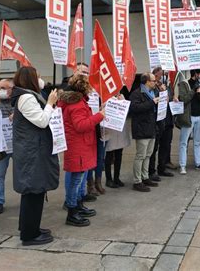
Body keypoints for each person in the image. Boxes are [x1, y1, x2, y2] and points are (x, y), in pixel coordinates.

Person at [11, 67, 59, 246]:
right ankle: (29, 235)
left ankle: (30, 227)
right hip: (31, 153)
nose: (40, 79)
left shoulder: (28, 96)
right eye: (37, 76)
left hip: (34, 150)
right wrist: (50, 103)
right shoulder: (26, 97)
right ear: (30, 79)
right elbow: (41, 120)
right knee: (33, 191)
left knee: (36, 191)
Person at [58, 74, 105, 227]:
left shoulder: (75, 101)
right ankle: (72, 212)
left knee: (78, 179)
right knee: (76, 181)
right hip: (78, 146)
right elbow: (81, 125)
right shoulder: (77, 104)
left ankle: (77, 206)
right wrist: (99, 116)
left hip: (80, 145)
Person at [129, 72, 160, 192]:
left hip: (151, 127)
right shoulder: (137, 94)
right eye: (153, 80)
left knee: (148, 154)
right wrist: (152, 102)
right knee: (140, 155)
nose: (155, 82)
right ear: (147, 82)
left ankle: (145, 176)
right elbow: (135, 108)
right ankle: (137, 181)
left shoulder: (152, 92)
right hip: (141, 128)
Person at [176, 69, 200, 174]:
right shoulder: (183, 84)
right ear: (195, 74)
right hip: (187, 118)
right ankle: (182, 165)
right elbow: (183, 99)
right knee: (183, 142)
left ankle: (198, 163)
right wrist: (193, 91)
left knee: (197, 141)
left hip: (199, 117)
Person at [0, 79, 14, 215]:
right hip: (1, 145)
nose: (0, 90)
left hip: (17, 144)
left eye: (4, 88)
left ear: (12, 89)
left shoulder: (19, 101)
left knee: (22, 172)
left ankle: (26, 196)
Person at [148, 67, 170, 181]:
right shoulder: (151, 89)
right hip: (154, 122)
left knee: (162, 146)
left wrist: (164, 91)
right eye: (159, 75)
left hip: (162, 120)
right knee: (152, 149)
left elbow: (166, 101)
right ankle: (150, 171)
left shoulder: (161, 86)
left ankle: (161, 167)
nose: (160, 77)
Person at [104, 99, 131, 189]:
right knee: (109, 155)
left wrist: (122, 102)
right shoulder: (104, 97)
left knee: (119, 154)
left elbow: (127, 111)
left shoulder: (121, 97)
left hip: (119, 129)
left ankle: (116, 177)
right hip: (110, 129)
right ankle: (108, 179)